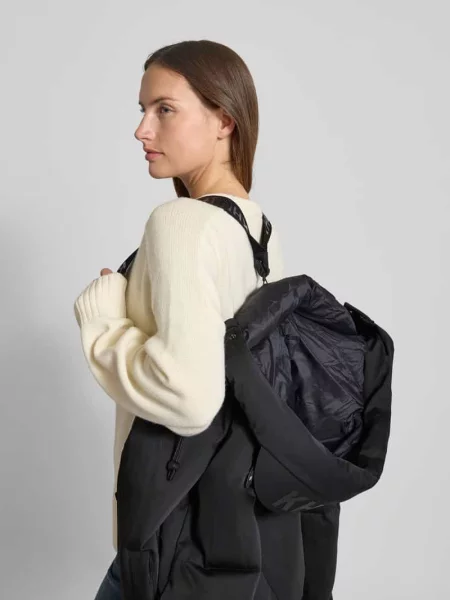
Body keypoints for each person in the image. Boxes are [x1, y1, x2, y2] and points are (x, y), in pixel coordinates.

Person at [73, 39, 285, 599]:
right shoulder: (258, 232)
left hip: (168, 538)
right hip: (230, 538)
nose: (141, 130)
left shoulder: (180, 223)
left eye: (164, 109)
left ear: (225, 121)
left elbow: (189, 398)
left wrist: (103, 324)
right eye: (143, 110)